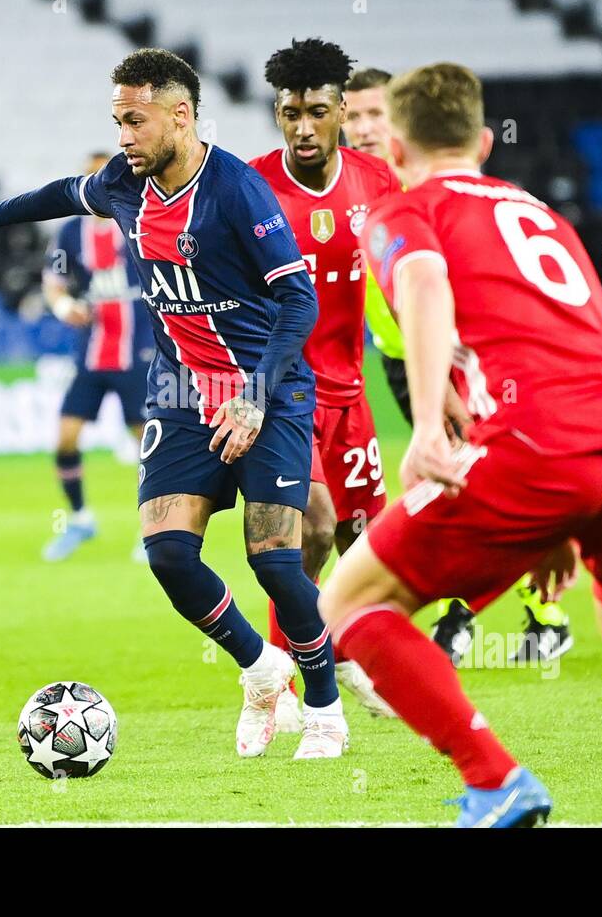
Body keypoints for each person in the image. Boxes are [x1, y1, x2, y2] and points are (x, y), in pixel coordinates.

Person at [318, 62, 602, 827]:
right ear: (486, 141)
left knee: (345, 607)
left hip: (538, 440)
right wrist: (563, 515)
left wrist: (428, 424)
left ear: (393, 148)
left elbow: (425, 286)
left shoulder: (404, 211)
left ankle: (493, 778)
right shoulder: (537, 211)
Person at [0, 48, 348, 760]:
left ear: (181, 116)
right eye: (117, 122)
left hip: (265, 391)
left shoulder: (237, 191)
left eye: (135, 121)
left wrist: (255, 395)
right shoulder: (124, 181)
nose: (123, 138)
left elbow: (298, 298)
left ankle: (326, 708)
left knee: (276, 561)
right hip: (179, 394)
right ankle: (262, 669)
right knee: (169, 554)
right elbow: (60, 193)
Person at [342, 65, 572, 664]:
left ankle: (529, 617)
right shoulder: (351, 187)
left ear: (398, 125)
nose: (363, 127)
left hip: (459, 359)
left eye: (375, 114)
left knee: (474, 478)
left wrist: (446, 368)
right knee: (447, 481)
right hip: (399, 358)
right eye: (353, 114)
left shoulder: (418, 189)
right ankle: (468, 616)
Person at [248, 38, 399, 727]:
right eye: (288, 114)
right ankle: (292, 680)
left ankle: (352, 660)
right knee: (308, 529)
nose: (302, 127)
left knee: (364, 545)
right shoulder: (250, 188)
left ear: (341, 109)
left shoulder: (377, 181)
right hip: (284, 392)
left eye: (315, 111)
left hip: (350, 391)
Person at [40, 152, 155, 563]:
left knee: (148, 446)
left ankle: (154, 530)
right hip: (92, 353)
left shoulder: (142, 218)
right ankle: (81, 518)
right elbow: (53, 283)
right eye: (92, 178)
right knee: (65, 437)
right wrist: (63, 306)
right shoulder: (70, 232)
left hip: (137, 352)